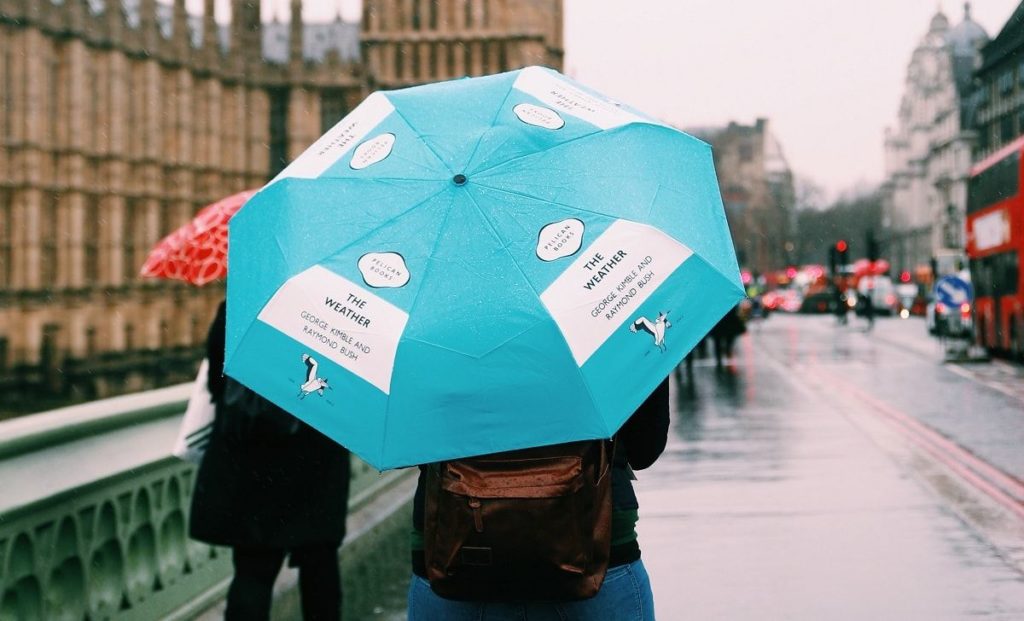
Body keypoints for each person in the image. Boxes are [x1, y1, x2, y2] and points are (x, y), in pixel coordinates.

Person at [406, 378, 670, 620]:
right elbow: (643, 448)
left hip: (452, 543)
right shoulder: (606, 326)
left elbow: (400, 445)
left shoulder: (422, 329)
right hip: (595, 544)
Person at [189, 301, 351, 621]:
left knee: (253, 572)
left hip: (254, 462)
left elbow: (216, 382)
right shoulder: (336, 308)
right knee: (319, 568)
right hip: (316, 458)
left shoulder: (241, 301)